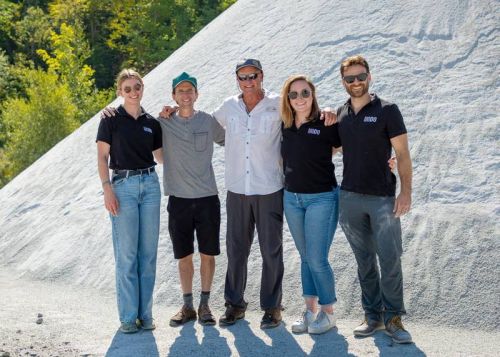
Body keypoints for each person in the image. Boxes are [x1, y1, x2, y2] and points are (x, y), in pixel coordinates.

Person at [336, 55, 413, 344]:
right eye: (350, 78)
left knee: (390, 259)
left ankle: (393, 318)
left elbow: (403, 154)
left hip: (382, 199)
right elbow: (331, 148)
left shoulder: (388, 110)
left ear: (370, 77)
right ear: (343, 81)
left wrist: (405, 192)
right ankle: (373, 316)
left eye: (360, 76)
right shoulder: (341, 114)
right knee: (364, 261)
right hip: (350, 199)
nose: (356, 82)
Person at [96, 69, 162, 334]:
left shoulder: (152, 122)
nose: (134, 92)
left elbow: (161, 158)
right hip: (122, 187)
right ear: (119, 92)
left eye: (137, 87)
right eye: (127, 89)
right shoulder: (110, 120)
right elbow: (102, 158)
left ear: (142, 87)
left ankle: (145, 315)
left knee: (147, 255)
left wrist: (171, 120)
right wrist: (107, 189)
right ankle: (127, 317)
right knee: (126, 256)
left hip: (150, 186)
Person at [161, 72, 225, 327]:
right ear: (174, 97)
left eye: (190, 90)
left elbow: (232, 142)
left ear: (197, 94)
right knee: (184, 255)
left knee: (208, 254)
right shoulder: (163, 122)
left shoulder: (209, 122)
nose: (186, 95)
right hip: (179, 200)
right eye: (181, 91)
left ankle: (205, 305)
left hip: (208, 198)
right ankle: (187, 306)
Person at [279, 75, 342, 334]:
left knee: (317, 258)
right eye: (293, 95)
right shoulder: (283, 125)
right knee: (305, 257)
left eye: (305, 93)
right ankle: (309, 311)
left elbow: (354, 144)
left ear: (313, 95)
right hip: (292, 199)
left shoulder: (326, 123)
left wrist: (388, 163)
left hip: (322, 198)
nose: (300, 99)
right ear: (288, 99)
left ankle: (328, 313)